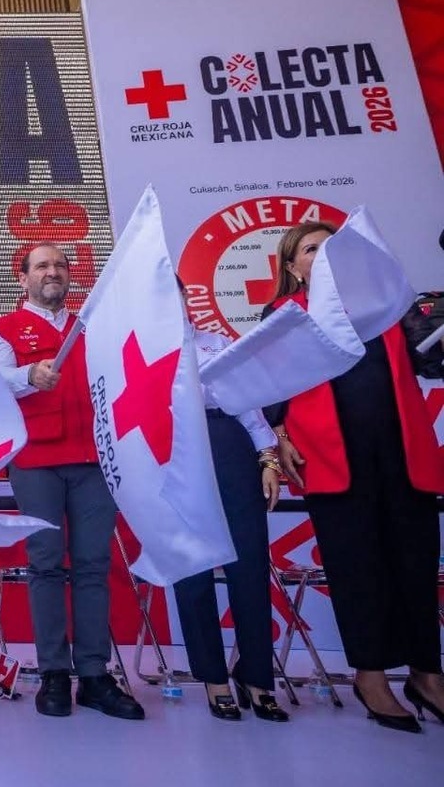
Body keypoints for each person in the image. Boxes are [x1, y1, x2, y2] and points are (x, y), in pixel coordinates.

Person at [263, 221, 444, 733]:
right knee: (356, 570)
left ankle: (427, 676)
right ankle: (371, 676)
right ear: (293, 267)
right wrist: (279, 437)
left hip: (403, 457)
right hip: (331, 462)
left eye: (332, 248)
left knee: (414, 566)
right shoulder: (281, 315)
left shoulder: (389, 307)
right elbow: (270, 388)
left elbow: (430, 362)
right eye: (311, 250)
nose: (323, 256)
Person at [0, 242, 144, 720]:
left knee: (94, 565)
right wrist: (28, 375)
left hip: (94, 460)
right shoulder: (3, 328)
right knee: (46, 565)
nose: (52, 271)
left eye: (59, 264)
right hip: (36, 461)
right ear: (23, 278)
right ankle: (54, 672)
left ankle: (94, 674)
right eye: (41, 266)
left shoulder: (93, 325)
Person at [173, 278, 287, 722]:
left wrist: (268, 459)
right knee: (194, 572)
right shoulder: (139, 353)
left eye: (176, 292)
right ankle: (214, 677)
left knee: (250, 567)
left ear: (187, 298)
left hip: (231, 447)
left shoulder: (217, 343)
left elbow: (249, 406)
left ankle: (257, 676)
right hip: (178, 455)